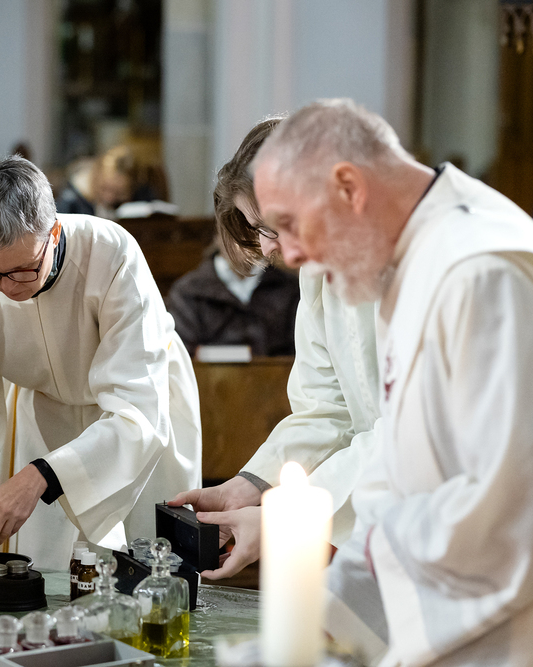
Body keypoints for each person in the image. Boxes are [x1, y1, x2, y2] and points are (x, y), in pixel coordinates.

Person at [253, 98, 533, 666]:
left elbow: (505, 510)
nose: (290, 253)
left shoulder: (480, 271)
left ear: (348, 187)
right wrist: (318, 624)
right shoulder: (413, 261)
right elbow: (401, 476)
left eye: (289, 224)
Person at [0, 156, 203, 571]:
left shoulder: (112, 253)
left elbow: (136, 407)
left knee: (153, 562)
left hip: (139, 407)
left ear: (54, 233)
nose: (6, 288)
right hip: (41, 403)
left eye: (22, 270)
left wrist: (43, 475)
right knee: (44, 562)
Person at [168, 117, 380, 579]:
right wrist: (250, 484)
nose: (267, 250)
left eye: (270, 228)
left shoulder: (408, 265)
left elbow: (408, 433)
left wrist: (285, 516)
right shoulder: (316, 271)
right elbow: (325, 408)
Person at [166, 242, 300, 358]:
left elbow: (297, 350)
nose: (240, 239)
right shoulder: (188, 292)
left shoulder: (288, 288)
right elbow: (180, 353)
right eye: (232, 229)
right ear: (218, 234)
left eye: (249, 229)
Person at [55, 145, 163, 221]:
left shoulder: (142, 197)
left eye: (119, 193)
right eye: (104, 189)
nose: (109, 198)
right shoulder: (71, 201)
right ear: (95, 177)